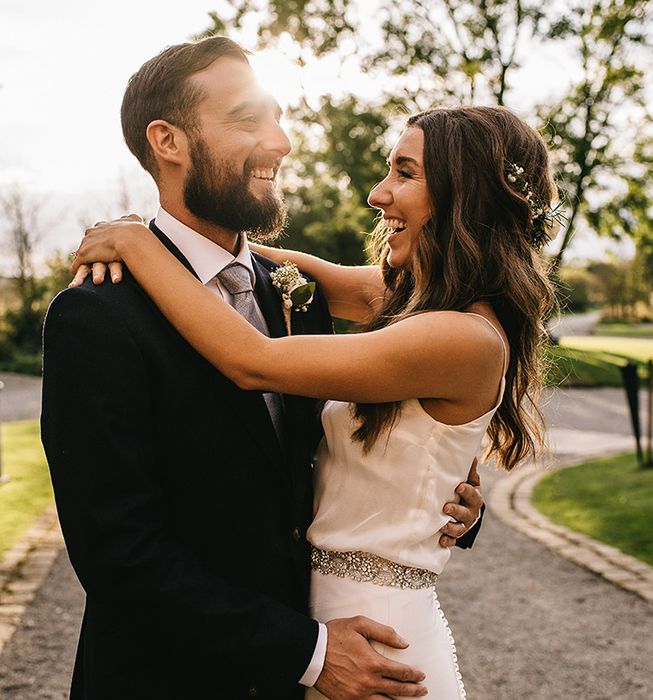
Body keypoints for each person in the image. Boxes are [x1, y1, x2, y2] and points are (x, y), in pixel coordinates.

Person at [41, 37, 484, 700]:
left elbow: (327, 458)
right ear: (168, 140)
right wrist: (307, 653)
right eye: (248, 121)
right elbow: (118, 555)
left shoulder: (293, 290)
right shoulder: (97, 317)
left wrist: (448, 494)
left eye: (277, 119)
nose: (280, 143)